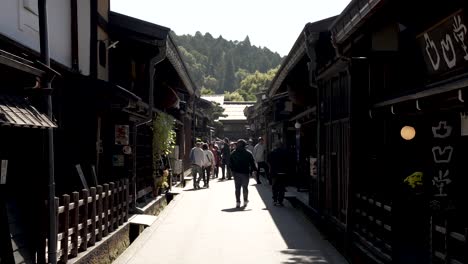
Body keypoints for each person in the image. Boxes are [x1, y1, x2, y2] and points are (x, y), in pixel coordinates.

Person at [229, 139, 257, 208]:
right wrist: (254, 170)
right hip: (245, 173)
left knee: (237, 188)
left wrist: (232, 171)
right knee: (245, 187)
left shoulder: (233, 153)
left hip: (236, 173)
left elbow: (230, 163)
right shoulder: (248, 153)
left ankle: (238, 202)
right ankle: (245, 201)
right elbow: (252, 163)